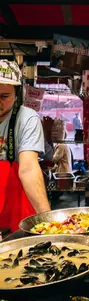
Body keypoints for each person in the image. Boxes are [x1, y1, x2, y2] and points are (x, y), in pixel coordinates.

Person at [0, 60, 50, 232]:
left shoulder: (27, 118)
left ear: (17, 94)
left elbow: (28, 168)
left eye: (4, 96)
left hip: (15, 209)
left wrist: (47, 220)